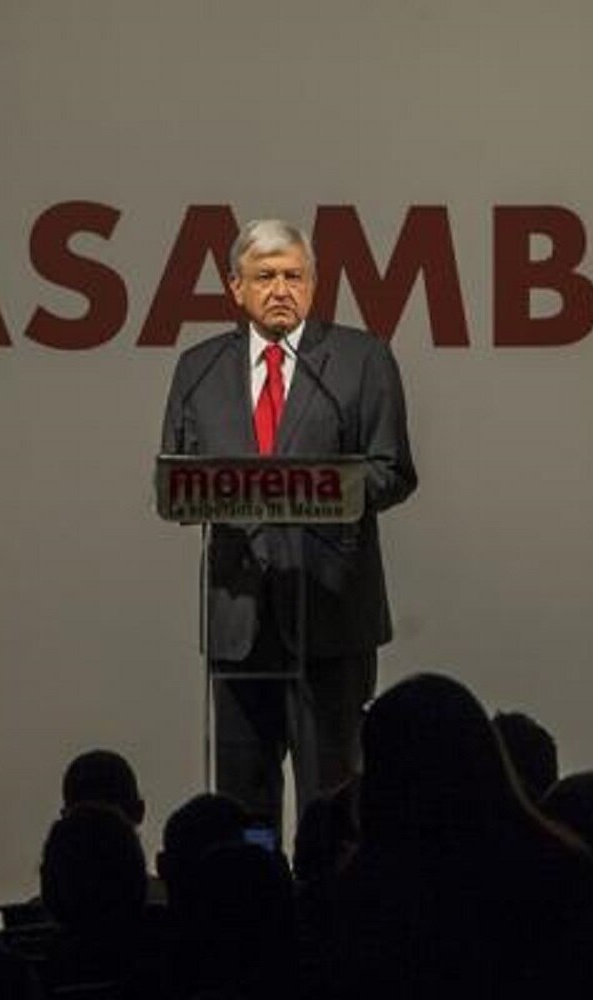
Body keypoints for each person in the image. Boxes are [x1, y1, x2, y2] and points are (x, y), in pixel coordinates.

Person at [159, 218, 417, 832]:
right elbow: (176, 478)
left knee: (332, 797)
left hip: (331, 613)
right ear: (235, 287)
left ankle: (326, 887)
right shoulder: (200, 368)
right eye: (265, 276)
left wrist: (317, 489)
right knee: (245, 801)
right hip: (239, 618)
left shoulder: (360, 360)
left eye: (294, 277)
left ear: (314, 284)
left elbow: (393, 470)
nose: (281, 289)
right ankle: (254, 884)